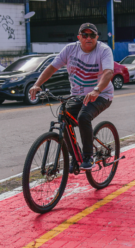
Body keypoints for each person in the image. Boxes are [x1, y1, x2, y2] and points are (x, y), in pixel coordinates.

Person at [29, 23, 114, 171]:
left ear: (97, 37)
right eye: (85, 35)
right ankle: (75, 158)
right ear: (79, 37)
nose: (88, 38)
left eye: (92, 35)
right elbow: (52, 68)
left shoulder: (103, 50)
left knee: (83, 117)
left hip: (102, 94)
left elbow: (108, 73)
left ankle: (88, 157)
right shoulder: (70, 49)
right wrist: (37, 84)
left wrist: (96, 90)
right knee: (64, 119)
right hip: (77, 95)